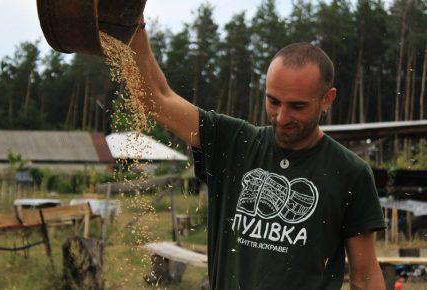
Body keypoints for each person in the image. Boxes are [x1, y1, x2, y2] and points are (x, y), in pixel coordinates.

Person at [130, 20, 386, 290]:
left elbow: (365, 276)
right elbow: (154, 98)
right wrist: (134, 24)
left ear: (327, 99)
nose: (281, 117)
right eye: (273, 101)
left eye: (297, 106)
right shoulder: (232, 143)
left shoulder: (350, 173)